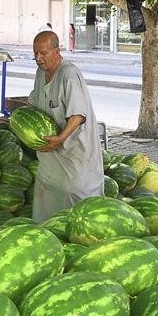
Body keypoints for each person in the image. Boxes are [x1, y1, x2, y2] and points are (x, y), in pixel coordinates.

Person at [28, 31, 104, 221]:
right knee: (48, 198)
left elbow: (77, 115)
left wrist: (60, 139)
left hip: (74, 152)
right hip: (51, 156)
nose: (38, 58)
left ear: (57, 50)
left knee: (76, 198)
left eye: (43, 53)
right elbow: (34, 103)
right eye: (35, 53)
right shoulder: (40, 73)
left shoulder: (68, 74)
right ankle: (49, 235)